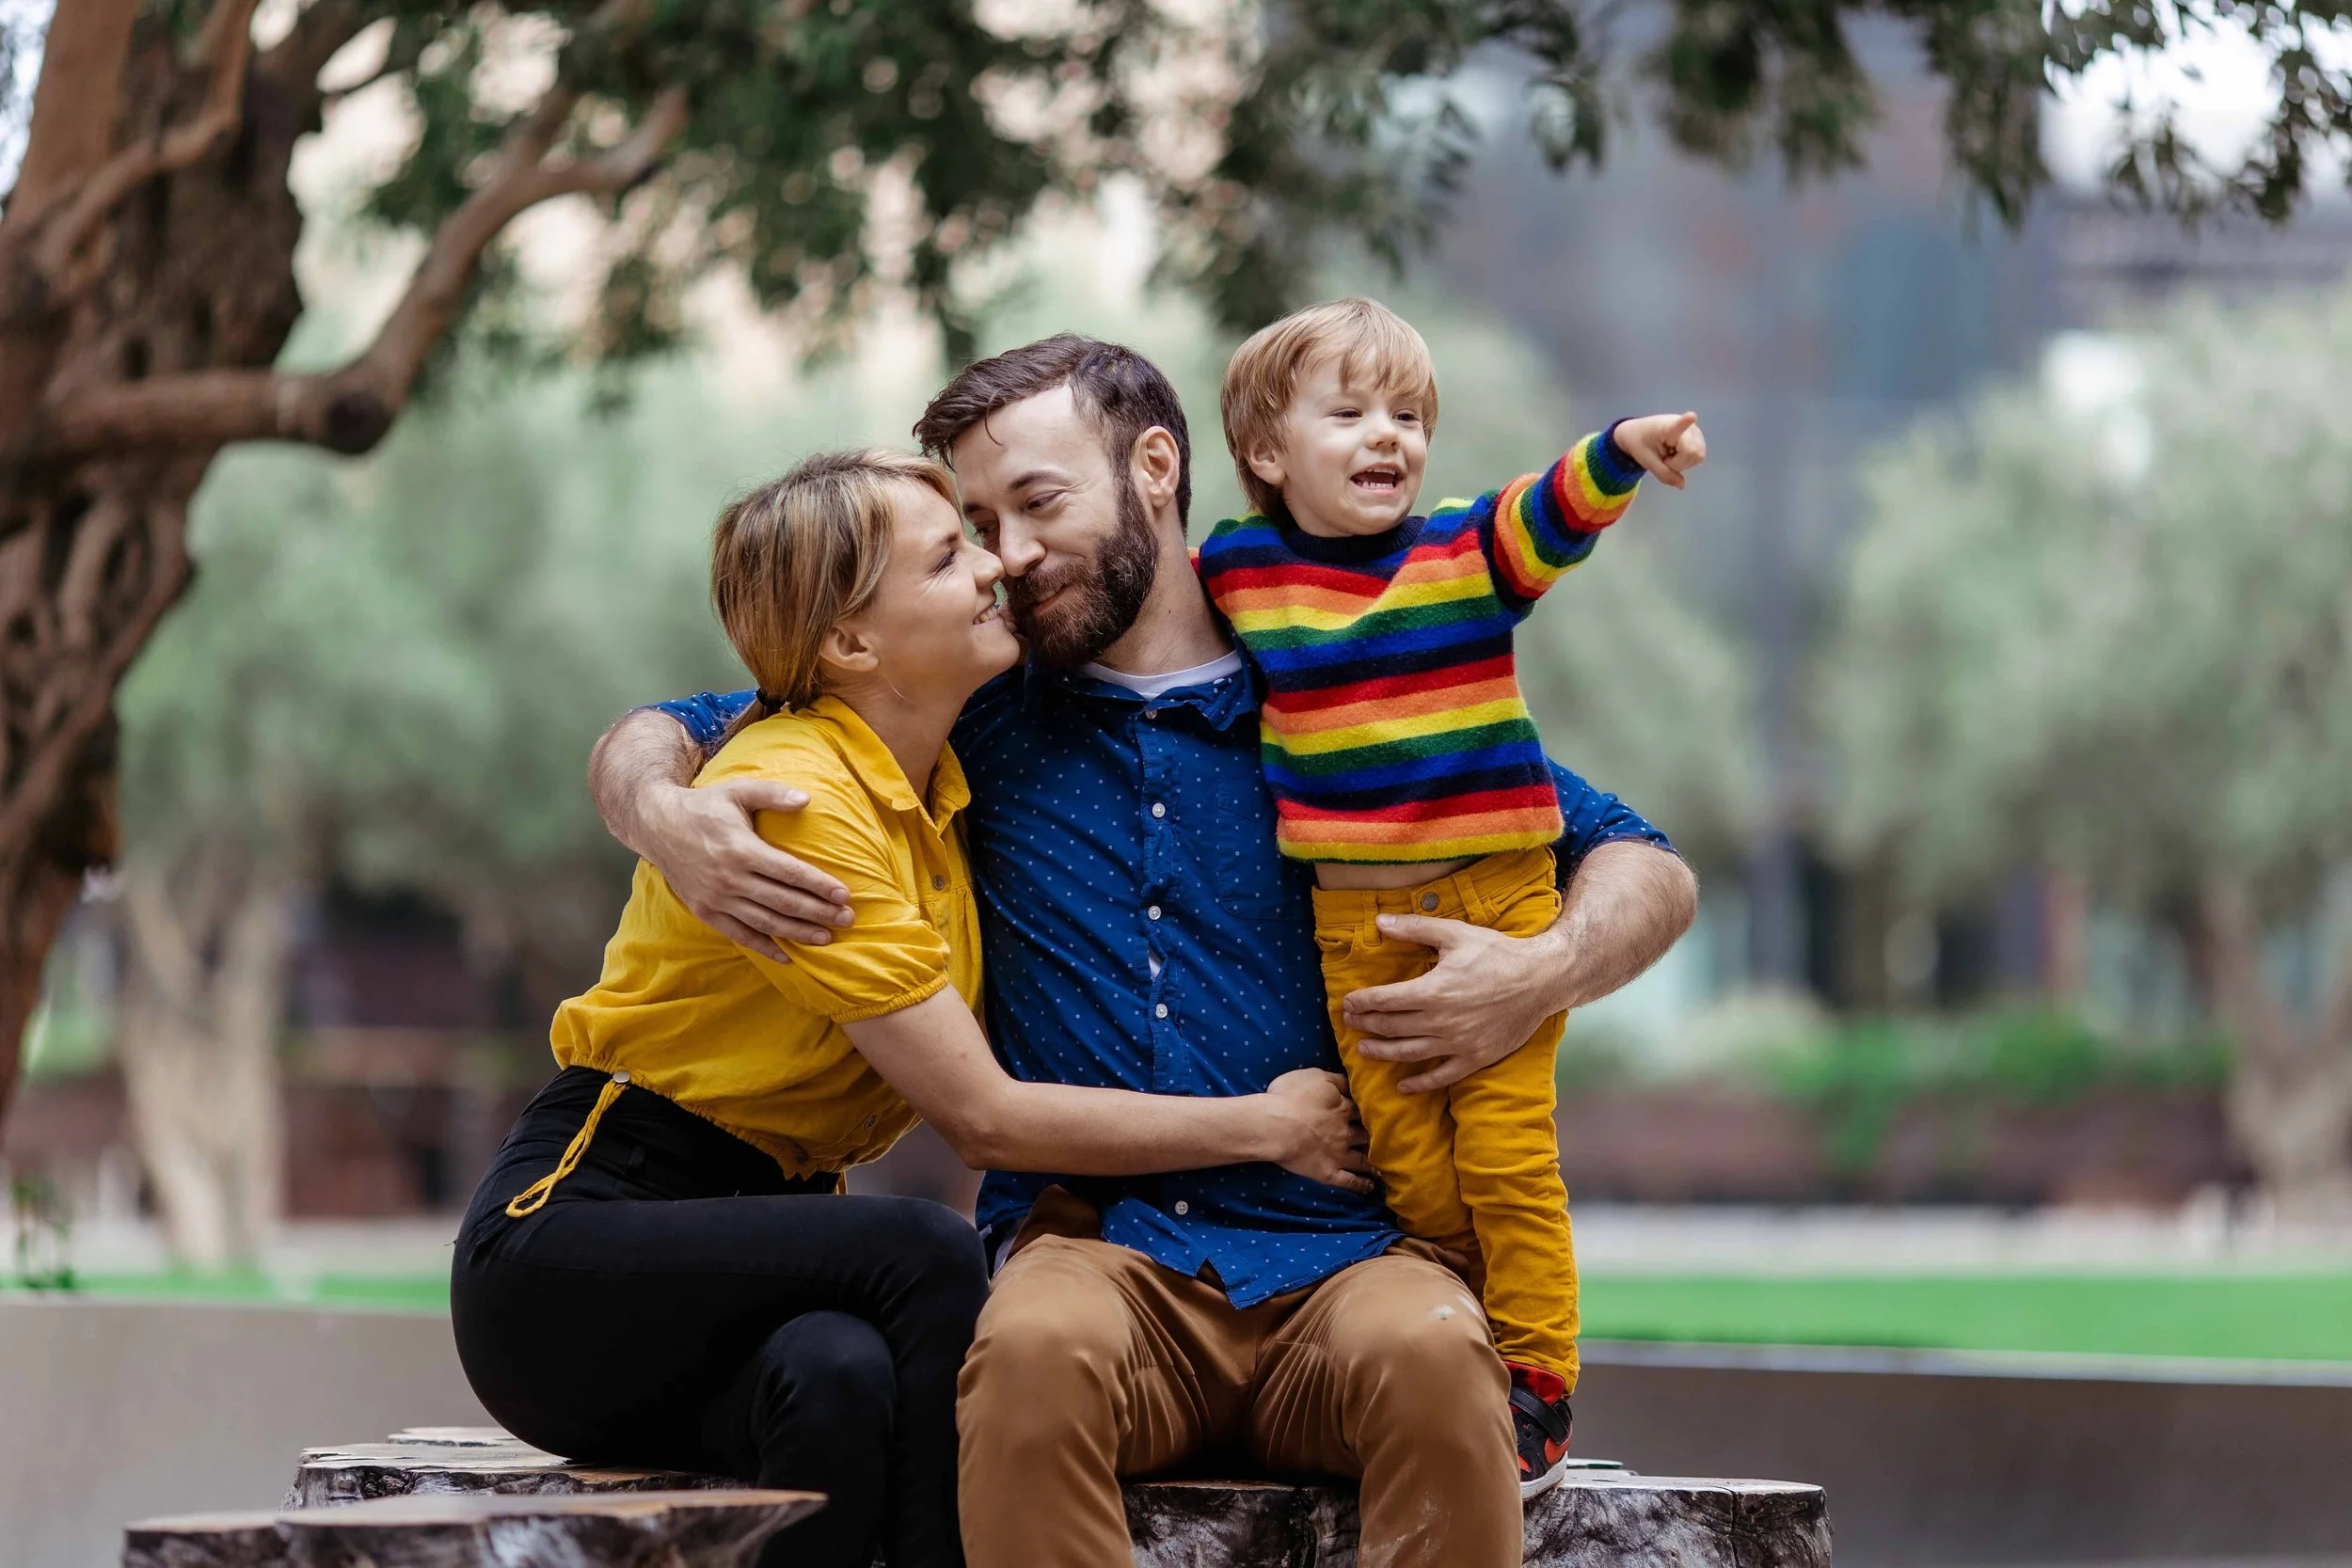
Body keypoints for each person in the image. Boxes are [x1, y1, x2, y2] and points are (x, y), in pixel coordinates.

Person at [589, 338, 1699, 1568]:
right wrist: (660, 814)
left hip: (1346, 1253)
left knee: (1443, 1351)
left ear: (1155, 467)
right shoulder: (974, 709)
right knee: (1024, 1352)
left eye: (1037, 504)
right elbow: (681, 728)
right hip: (1092, 1251)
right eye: (978, 522)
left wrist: (1543, 970)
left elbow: (1643, 858)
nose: (1006, 556)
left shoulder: (1342, 679)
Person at [451, 449, 1372, 1568]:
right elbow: (982, 1120)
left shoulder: (936, 779)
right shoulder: (796, 794)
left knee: (837, 1377)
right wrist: (1269, 1125)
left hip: (754, 1243)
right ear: (847, 643)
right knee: (922, 1248)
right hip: (571, 1242)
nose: (995, 566)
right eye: (949, 555)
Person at [1198, 296, 1708, 1497]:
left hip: (1494, 900)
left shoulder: (1458, 552)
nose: (1390, 436)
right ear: (1267, 453)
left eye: (1410, 415)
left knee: (1506, 1157)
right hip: (1351, 925)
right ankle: (1452, 1340)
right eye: (1352, 412)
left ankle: (1534, 1379)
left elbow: (1548, 514)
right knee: (1410, 1167)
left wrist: (1621, 446)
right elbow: (1136, 617)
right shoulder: (1235, 567)